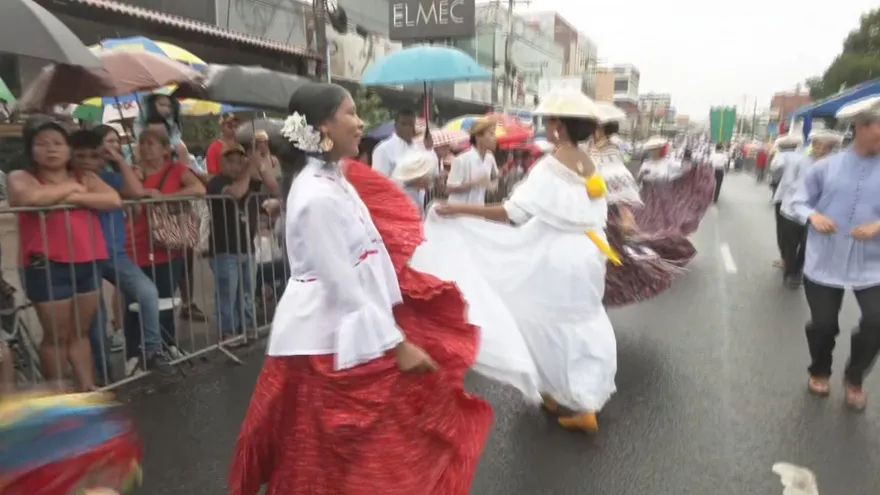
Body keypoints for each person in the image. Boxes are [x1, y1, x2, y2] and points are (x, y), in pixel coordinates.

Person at [228, 82, 492, 494]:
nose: (360, 122)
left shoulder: (332, 180)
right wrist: (395, 343)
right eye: (350, 112)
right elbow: (341, 282)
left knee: (353, 456)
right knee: (329, 460)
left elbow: (365, 258)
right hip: (322, 341)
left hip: (345, 334)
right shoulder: (317, 194)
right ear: (323, 126)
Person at [411, 88, 618, 433]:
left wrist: (456, 209)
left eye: (550, 121)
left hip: (557, 254)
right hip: (590, 252)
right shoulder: (589, 164)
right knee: (580, 320)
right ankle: (570, 394)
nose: (548, 126)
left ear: (558, 128)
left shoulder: (551, 166)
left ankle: (578, 399)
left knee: (538, 317)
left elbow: (512, 212)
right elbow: (595, 212)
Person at [8, 117, 122, 391]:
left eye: (58, 143)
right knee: (56, 336)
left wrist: (65, 194)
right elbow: (28, 198)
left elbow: (112, 200)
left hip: (87, 260)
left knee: (79, 333)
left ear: (68, 148)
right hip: (46, 264)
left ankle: (86, 387)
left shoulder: (86, 176)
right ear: (31, 149)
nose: (51, 149)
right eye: (42, 144)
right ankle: (58, 392)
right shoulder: (21, 177)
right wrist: (72, 189)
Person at [789, 95, 880, 411]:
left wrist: (877, 226)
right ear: (862, 127)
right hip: (825, 259)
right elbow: (796, 201)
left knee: (877, 321)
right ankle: (819, 370)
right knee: (825, 324)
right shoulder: (825, 168)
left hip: (871, 263)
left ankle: (854, 377)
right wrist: (812, 216)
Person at [69, 128, 170, 381]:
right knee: (95, 318)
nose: (87, 161)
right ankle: (101, 374)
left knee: (148, 292)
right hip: (83, 255)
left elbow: (135, 191)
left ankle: (152, 350)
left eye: (93, 155)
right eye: (80, 156)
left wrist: (120, 160)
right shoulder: (70, 180)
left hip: (114, 253)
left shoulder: (109, 179)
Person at [589, 109, 693, 308]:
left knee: (605, 263)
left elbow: (616, 182)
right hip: (592, 211)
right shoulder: (592, 150)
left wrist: (625, 214)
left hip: (603, 214)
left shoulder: (608, 151)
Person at [123, 128, 205, 373]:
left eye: (151, 143)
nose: (145, 147)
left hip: (167, 244)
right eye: (142, 143)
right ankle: (135, 353)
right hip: (136, 244)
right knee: (134, 302)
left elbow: (198, 190)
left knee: (165, 298)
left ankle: (166, 345)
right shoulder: (133, 173)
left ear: (165, 148)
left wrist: (164, 196)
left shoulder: (177, 170)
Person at [206, 143, 279, 340]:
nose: (236, 166)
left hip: (246, 246)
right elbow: (236, 193)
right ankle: (228, 333)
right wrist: (249, 167)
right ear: (222, 163)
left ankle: (247, 327)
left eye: (240, 161)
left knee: (247, 292)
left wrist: (262, 163)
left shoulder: (250, 181)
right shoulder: (216, 183)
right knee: (227, 295)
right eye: (231, 161)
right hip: (224, 249)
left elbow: (274, 188)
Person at [776, 130, 842, 289]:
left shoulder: (835, 166)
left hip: (815, 215)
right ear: (812, 145)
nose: (819, 149)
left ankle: (797, 270)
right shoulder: (800, 161)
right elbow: (788, 183)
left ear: (831, 148)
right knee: (789, 245)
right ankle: (791, 273)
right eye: (817, 145)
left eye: (824, 147)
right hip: (791, 210)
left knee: (807, 246)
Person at [634, 136, 716, 236]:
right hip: (647, 196)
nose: (653, 152)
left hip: (663, 196)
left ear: (660, 150)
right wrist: (643, 175)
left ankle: (663, 239)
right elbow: (639, 179)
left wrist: (698, 167)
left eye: (656, 149)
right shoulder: (646, 164)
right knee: (645, 220)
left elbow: (684, 170)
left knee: (664, 219)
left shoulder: (668, 162)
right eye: (652, 150)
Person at [372, 108, 433, 215]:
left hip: (416, 208)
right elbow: (378, 184)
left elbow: (430, 172)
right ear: (396, 126)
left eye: (411, 124)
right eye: (404, 124)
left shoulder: (418, 149)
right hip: (393, 208)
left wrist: (429, 149)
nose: (408, 128)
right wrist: (408, 182)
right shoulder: (383, 149)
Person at [769, 134, 806, 273]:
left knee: (782, 231)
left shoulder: (781, 157)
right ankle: (795, 262)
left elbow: (776, 170)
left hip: (783, 197)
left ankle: (785, 259)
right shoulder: (803, 157)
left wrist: (776, 181)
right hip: (802, 198)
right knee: (799, 233)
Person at [445, 119, 497, 205]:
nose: (495, 138)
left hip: (478, 211)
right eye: (491, 134)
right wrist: (475, 183)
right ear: (478, 137)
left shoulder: (490, 159)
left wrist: (492, 186)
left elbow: (494, 179)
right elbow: (449, 189)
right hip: (459, 212)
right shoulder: (461, 159)